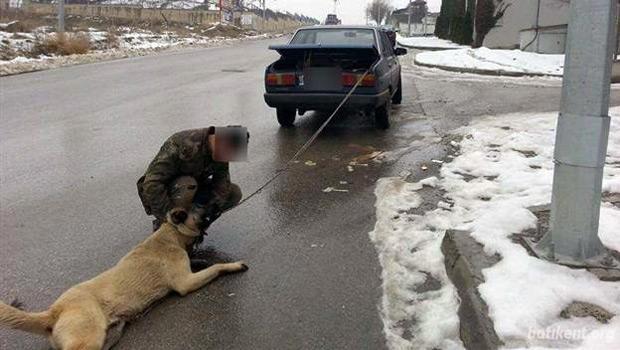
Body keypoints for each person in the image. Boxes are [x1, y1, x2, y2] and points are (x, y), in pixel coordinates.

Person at [137, 126, 248, 237]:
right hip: (163, 192)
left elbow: (222, 184)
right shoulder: (181, 143)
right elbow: (152, 183)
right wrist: (168, 215)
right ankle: (167, 228)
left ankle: (192, 227)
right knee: (188, 184)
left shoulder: (221, 149)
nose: (225, 158)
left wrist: (206, 214)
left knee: (234, 193)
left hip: (192, 186)